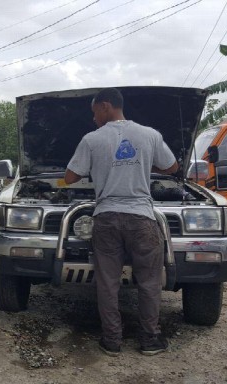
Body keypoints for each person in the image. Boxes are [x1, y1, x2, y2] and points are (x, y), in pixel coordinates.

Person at [64, 88, 178, 356]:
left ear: (106, 106)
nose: (93, 119)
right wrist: (145, 163)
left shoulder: (92, 139)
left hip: (106, 219)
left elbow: (70, 177)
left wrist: (97, 166)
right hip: (143, 219)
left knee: (108, 283)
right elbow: (172, 167)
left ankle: (112, 341)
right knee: (149, 282)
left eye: (95, 113)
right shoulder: (150, 135)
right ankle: (150, 340)